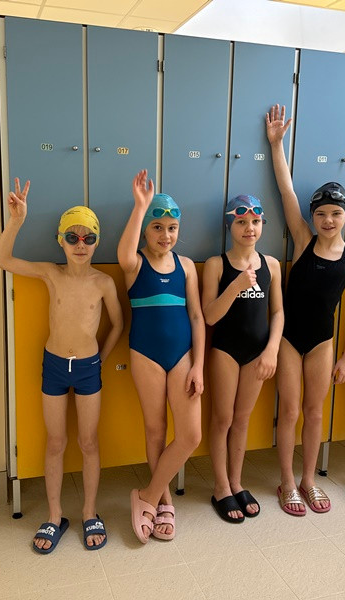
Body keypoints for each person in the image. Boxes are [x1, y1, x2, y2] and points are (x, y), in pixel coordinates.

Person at [0, 181, 123, 553]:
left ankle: (89, 511)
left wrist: (100, 359)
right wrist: (17, 221)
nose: (80, 244)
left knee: (88, 442)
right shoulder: (51, 273)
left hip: (88, 368)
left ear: (97, 242)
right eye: (72, 237)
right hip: (53, 366)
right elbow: (1, 259)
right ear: (60, 241)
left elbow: (117, 324)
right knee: (55, 442)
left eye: (88, 238)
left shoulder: (103, 283)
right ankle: (54, 515)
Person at [266, 105, 345, 515]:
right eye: (321, 214)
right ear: (312, 217)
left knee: (314, 412)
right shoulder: (303, 239)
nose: (328, 220)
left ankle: (309, 479)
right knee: (290, 411)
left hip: (323, 341)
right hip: (289, 338)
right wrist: (277, 145)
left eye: (335, 214)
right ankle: (287, 481)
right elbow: (286, 191)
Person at [118, 169, 204, 543]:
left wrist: (199, 365)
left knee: (190, 435)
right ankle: (165, 502)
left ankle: (147, 495)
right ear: (146, 230)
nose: (165, 235)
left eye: (171, 228)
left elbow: (197, 317)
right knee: (155, 430)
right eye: (157, 227)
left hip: (183, 356)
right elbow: (123, 253)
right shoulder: (135, 264)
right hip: (146, 354)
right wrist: (140, 206)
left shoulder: (186, 266)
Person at [203, 194, 284, 523]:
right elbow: (210, 316)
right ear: (229, 225)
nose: (249, 228)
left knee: (242, 419)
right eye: (241, 222)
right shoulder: (216, 265)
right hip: (225, 350)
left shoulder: (272, 265)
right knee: (222, 419)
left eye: (255, 222)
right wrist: (236, 285)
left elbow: (277, 312)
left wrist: (272, 350)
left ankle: (236, 482)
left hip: (258, 353)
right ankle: (221, 486)